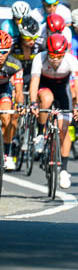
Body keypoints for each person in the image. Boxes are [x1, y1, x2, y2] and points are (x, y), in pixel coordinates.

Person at [29, 33, 78, 189]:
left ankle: (64, 170)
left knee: (64, 128)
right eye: (52, 55)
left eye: (58, 56)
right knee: (46, 99)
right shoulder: (39, 58)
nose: (54, 60)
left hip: (62, 89)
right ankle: (40, 133)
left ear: (64, 53)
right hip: (44, 87)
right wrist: (33, 103)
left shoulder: (71, 60)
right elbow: (34, 83)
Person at [0, 31, 23, 170]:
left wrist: (19, 104)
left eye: (4, 52)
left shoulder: (14, 64)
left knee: (6, 116)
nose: (0, 55)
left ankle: (6, 154)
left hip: (3, 90)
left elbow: (19, 90)